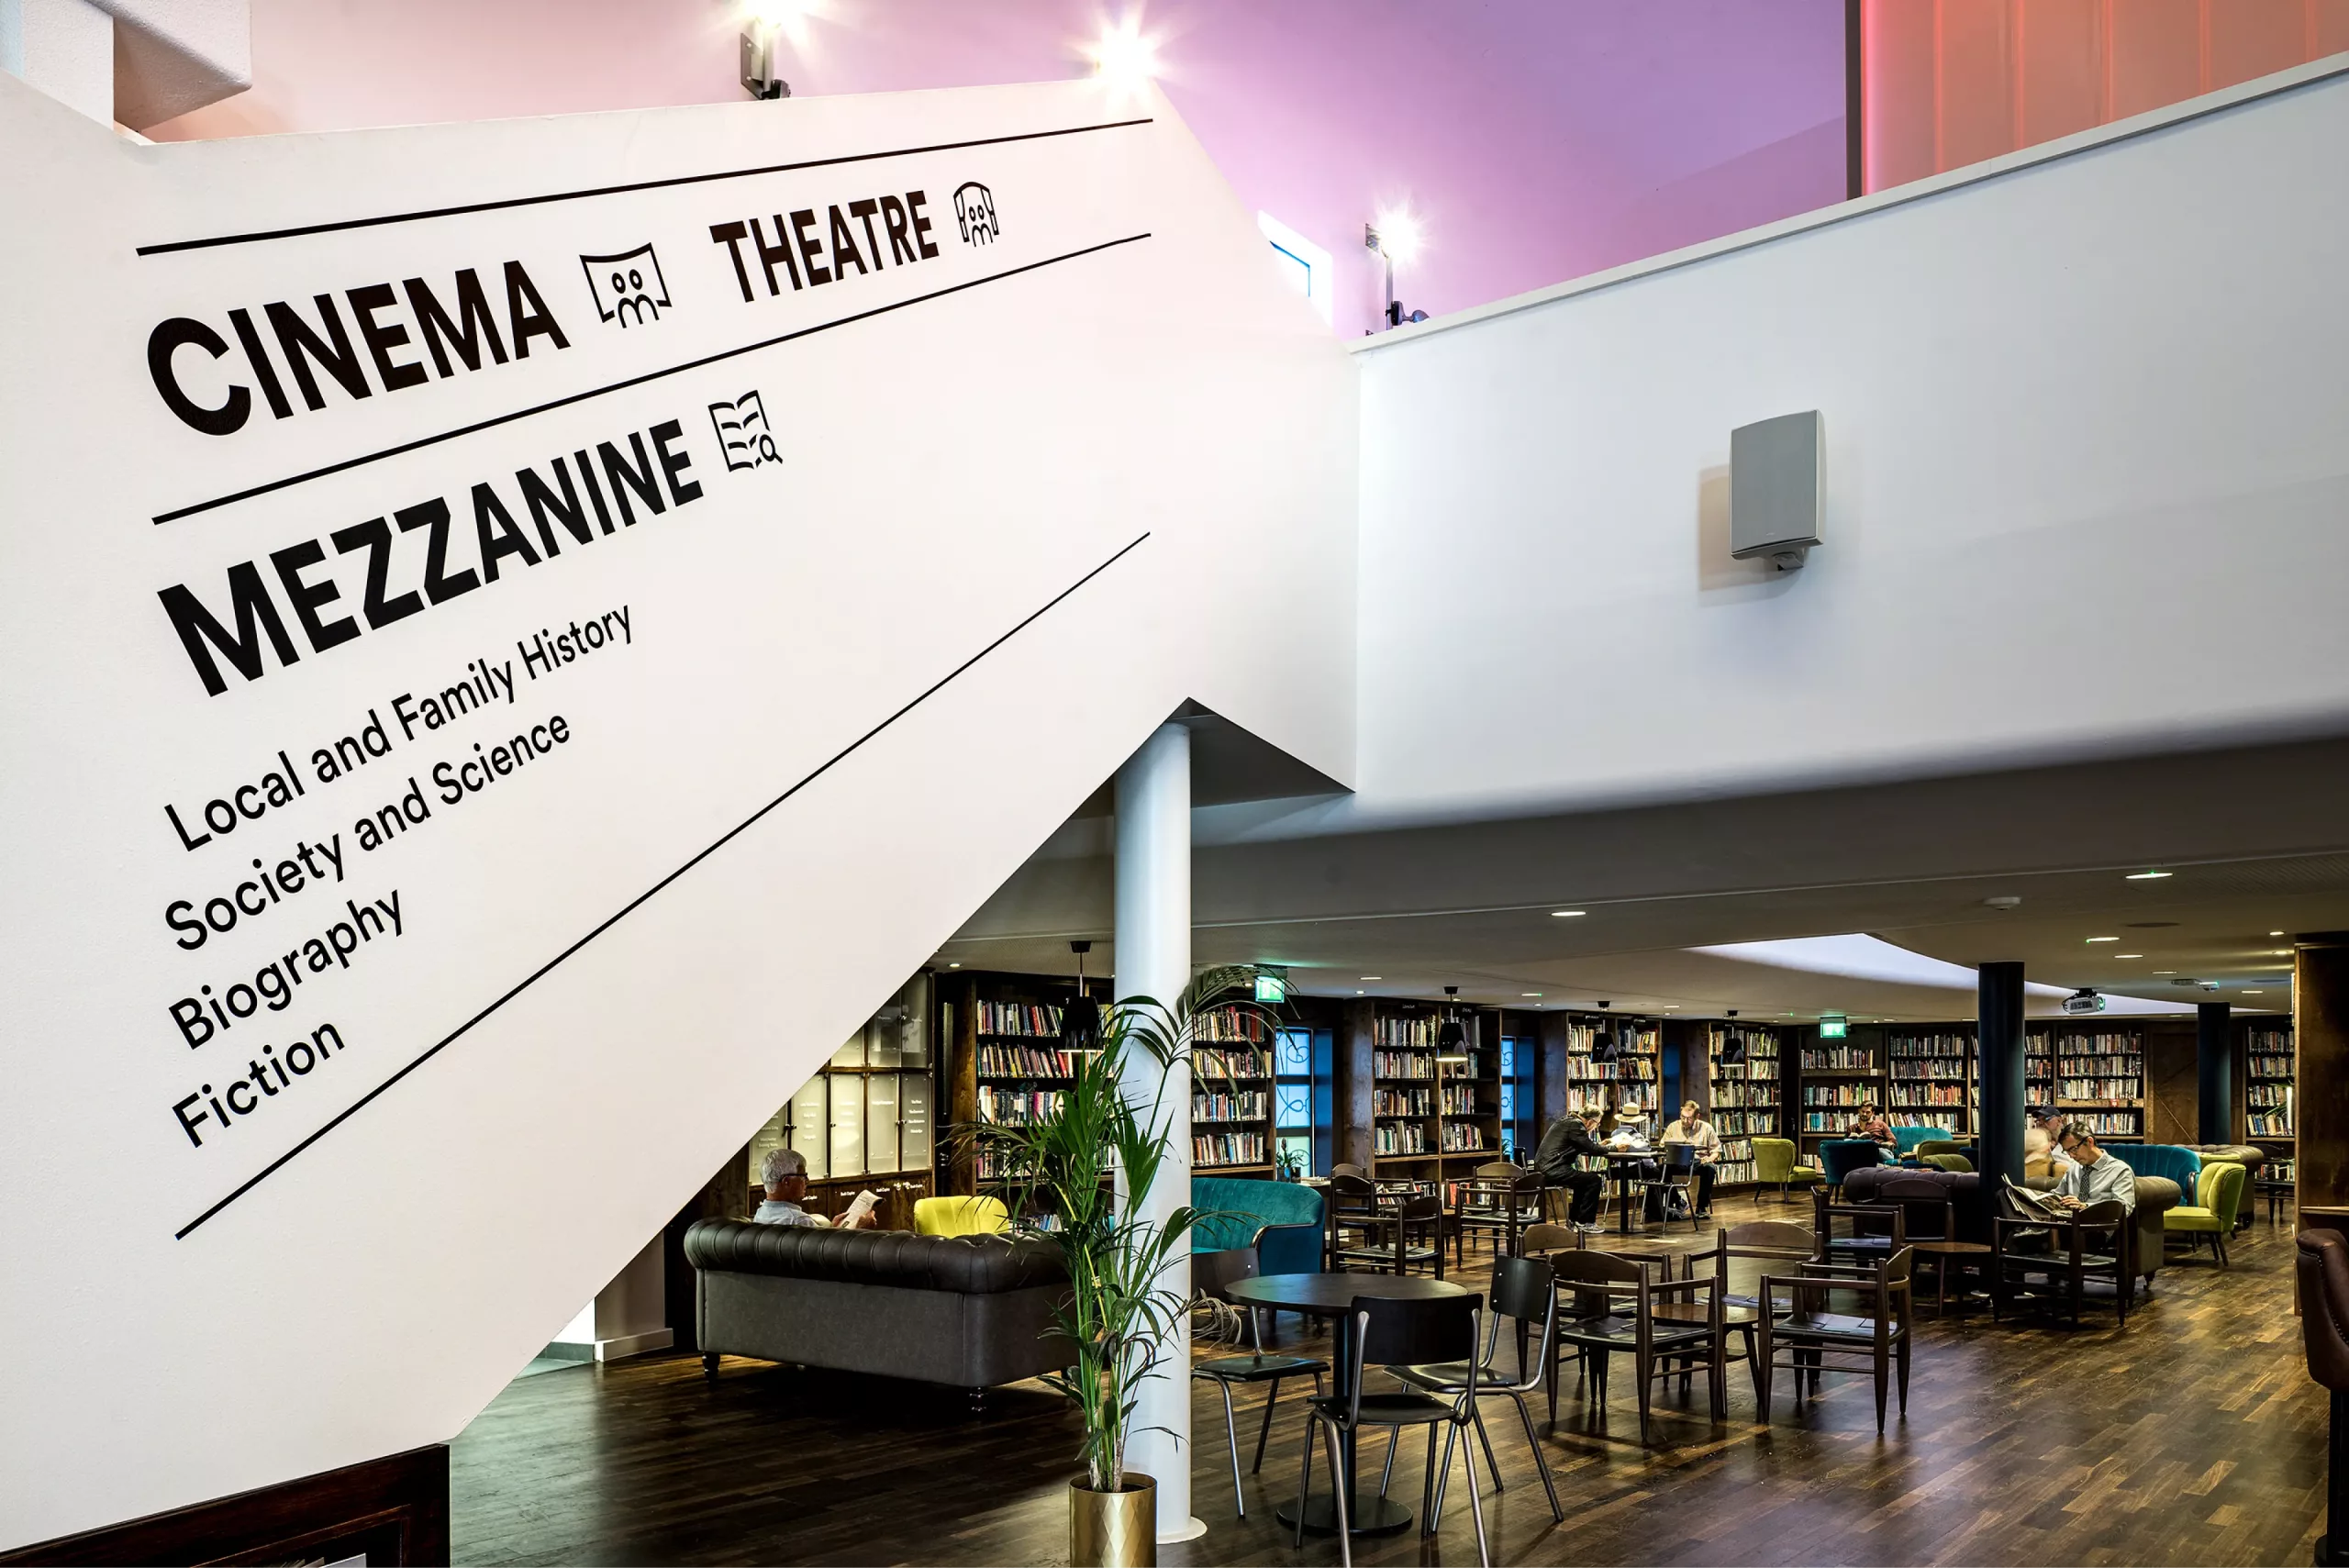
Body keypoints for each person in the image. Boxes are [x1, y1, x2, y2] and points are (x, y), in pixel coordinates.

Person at [751, 1147, 881, 1229]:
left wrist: (832, 1228)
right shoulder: (798, 1221)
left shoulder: (760, 1214)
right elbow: (831, 1255)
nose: (807, 1181)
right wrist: (860, 1229)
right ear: (786, 1182)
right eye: (803, 1176)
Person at [1531, 1106, 1609, 1233]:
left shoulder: (1567, 1121)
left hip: (1546, 1168)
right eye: (1598, 1123)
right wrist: (1615, 1148)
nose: (1597, 1127)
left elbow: (1584, 1146)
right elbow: (1591, 1149)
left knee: (1582, 1183)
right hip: (1553, 1169)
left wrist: (1599, 1146)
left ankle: (1574, 1221)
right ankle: (1585, 1222)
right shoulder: (1576, 1126)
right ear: (1590, 1122)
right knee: (1593, 1180)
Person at [1660, 1098, 1722, 1218]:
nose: (1685, 1121)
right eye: (1682, 1117)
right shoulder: (1673, 1127)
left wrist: (1710, 1159)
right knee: (1660, 1170)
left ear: (1697, 1116)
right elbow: (1663, 1145)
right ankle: (1678, 1201)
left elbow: (1717, 1150)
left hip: (1698, 1161)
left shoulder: (1706, 1128)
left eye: (1689, 1118)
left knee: (1710, 1169)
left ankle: (1701, 1207)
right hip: (1677, 1161)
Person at [2053, 1125, 2135, 1213]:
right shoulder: (2074, 1167)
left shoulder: (2120, 1170)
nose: (2071, 1156)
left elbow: (2124, 1209)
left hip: (2100, 1224)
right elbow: (2058, 1195)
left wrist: (2085, 1207)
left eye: (2073, 1149)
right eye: (2067, 1152)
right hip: (2069, 1223)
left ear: (2089, 1141)